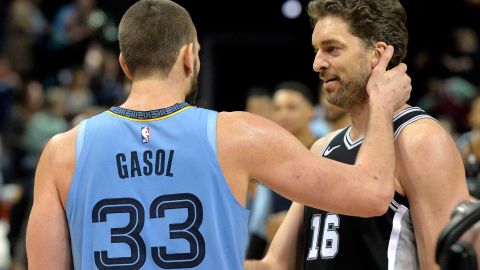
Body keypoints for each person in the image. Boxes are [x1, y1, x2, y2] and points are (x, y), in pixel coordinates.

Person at [26, 0, 411, 269]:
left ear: (125, 65)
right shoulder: (237, 134)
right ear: (190, 56)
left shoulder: (62, 152)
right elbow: (374, 194)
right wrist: (380, 103)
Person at [245, 0, 470, 269]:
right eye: (317, 51)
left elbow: (445, 264)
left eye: (332, 49)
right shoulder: (322, 147)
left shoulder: (420, 139)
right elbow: (275, 265)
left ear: (377, 54)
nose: (317, 63)